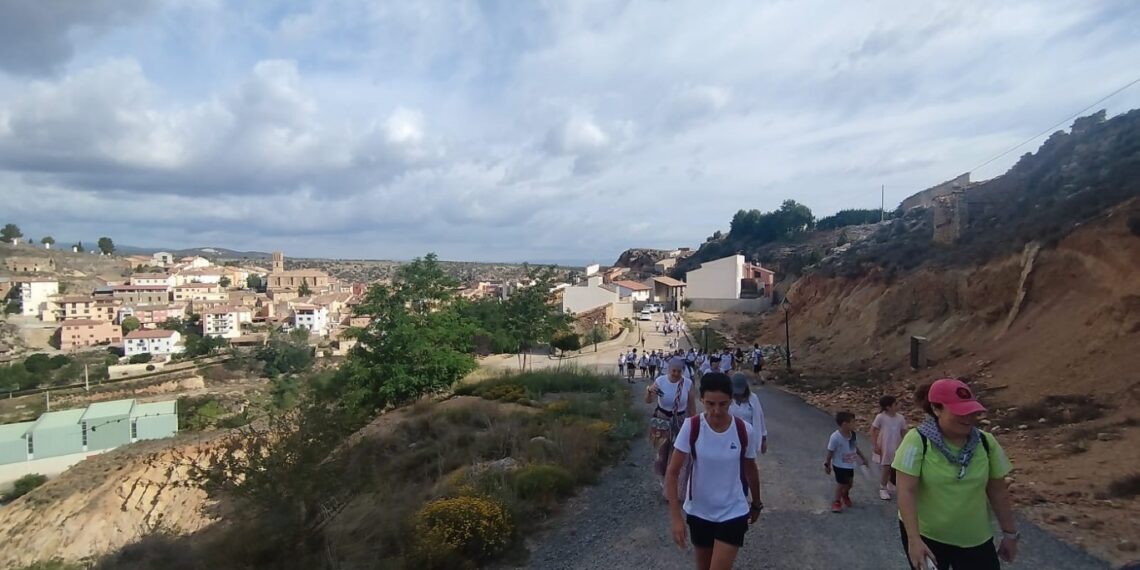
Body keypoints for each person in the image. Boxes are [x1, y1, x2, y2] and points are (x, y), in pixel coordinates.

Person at [893, 379, 1018, 570]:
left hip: (976, 539)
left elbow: (998, 492)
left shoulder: (986, 443)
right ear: (936, 409)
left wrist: (1010, 535)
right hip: (928, 536)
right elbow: (906, 491)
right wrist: (914, 540)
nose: (968, 417)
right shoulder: (916, 441)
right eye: (960, 411)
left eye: (971, 411)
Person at [665, 372, 762, 570]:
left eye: (723, 404)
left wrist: (757, 503)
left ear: (731, 401)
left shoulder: (744, 431)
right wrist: (676, 517)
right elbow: (672, 472)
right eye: (710, 404)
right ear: (701, 400)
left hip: (733, 512)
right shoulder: (692, 427)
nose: (716, 411)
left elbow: (750, 468)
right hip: (700, 512)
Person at [646, 358, 697, 494]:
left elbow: (692, 406)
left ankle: (677, 486)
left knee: (678, 453)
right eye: (673, 371)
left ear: (683, 371)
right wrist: (649, 391)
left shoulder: (687, 384)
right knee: (662, 451)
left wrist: (695, 425)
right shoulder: (660, 381)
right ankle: (663, 479)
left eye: (679, 371)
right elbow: (648, 401)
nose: (675, 374)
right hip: (663, 419)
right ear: (668, 369)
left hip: (681, 420)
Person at [824, 411, 868, 513]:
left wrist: (862, 458)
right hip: (839, 465)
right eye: (853, 422)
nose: (855, 424)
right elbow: (830, 451)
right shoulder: (835, 437)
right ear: (844, 424)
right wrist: (827, 464)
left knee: (849, 484)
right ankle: (837, 501)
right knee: (841, 484)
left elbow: (854, 447)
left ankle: (845, 495)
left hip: (850, 465)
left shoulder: (852, 434)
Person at [871, 395, 908, 501]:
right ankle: (882, 488)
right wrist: (875, 445)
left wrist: (906, 443)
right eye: (895, 404)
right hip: (885, 446)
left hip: (897, 445)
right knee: (886, 467)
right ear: (888, 407)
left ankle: (890, 483)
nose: (898, 405)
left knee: (895, 466)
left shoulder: (900, 418)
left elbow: (903, 431)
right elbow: (873, 430)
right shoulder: (881, 417)